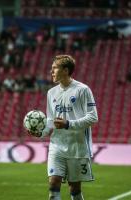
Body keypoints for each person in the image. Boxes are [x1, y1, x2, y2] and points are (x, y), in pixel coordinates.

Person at [34, 55, 98, 200]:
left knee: (74, 189)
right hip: (57, 145)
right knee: (53, 183)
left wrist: (68, 124)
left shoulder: (83, 90)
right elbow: (50, 120)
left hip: (77, 146)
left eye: (54, 68)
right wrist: (40, 132)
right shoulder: (51, 93)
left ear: (66, 70)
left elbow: (93, 118)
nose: (51, 72)